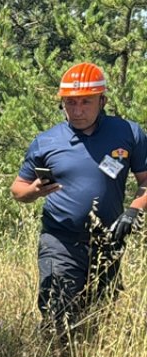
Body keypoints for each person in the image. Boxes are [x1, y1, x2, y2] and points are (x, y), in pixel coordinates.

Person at [10, 63, 147, 339]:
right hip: (60, 241)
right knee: (57, 312)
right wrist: (35, 190)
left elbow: (145, 181)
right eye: (70, 103)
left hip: (108, 242)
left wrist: (133, 211)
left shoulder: (128, 133)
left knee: (99, 313)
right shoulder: (46, 141)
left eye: (86, 102)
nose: (78, 110)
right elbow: (17, 189)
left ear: (103, 101)